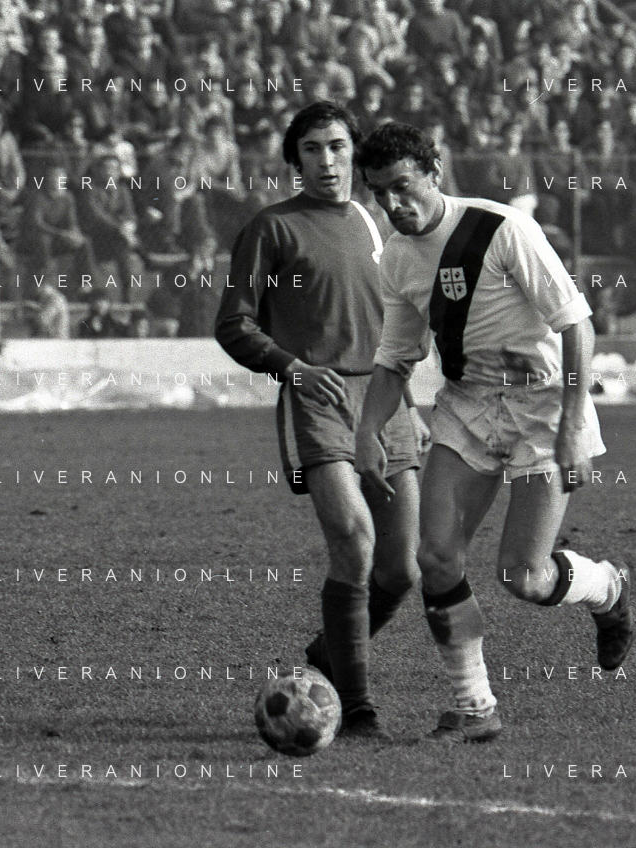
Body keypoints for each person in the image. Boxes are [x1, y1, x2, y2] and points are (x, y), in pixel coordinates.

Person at [354, 122, 633, 743]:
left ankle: (605, 587)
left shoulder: (502, 228)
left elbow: (576, 326)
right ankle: (474, 706)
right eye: (379, 193)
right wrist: (368, 429)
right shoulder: (395, 258)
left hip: (544, 408)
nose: (393, 204)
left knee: (523, 578)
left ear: (435, 173)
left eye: (403, 187)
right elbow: (396, 358)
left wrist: (571, 424)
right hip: (467, 408)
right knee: (436, 556)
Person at [215, 102, 429, 741]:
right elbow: (234, 323)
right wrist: (292, 368)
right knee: (354, 541)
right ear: (295, 160)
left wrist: (410, 404)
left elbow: (390, 323)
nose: (327, 161)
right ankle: (358, 711)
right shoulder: (272, 228)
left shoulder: (371, 220)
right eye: (312, 149)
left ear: (354, 154)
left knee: (402, 570)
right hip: (318, 399)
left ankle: (325, 659)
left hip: (385, 401)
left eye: (337, 146)